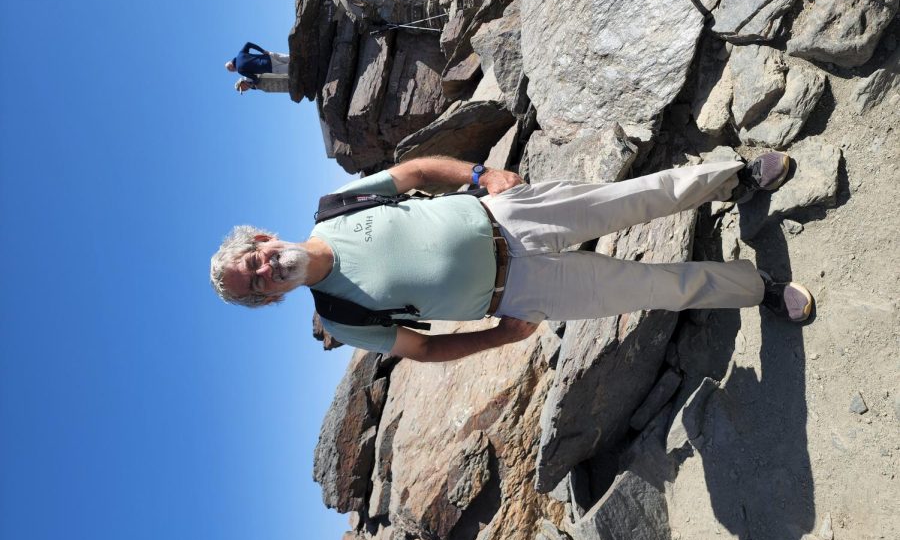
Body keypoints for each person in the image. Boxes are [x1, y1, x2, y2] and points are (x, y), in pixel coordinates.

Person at [209, 154, 814, 362]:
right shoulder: (340, 316)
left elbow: (417, 172)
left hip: (508, 215)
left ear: (263, 239)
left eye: (256, 261)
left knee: (636, 197)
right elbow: (422, 349)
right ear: (272, 299)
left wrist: (483, 174)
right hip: (519, 295)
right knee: (653, 289)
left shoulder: (335, 206)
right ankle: (754, 287)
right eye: (258, 286)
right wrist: (499, 339)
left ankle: (736, 177)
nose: (267, 271)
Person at [225, 42, 289, 91]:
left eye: (232, 70)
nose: (234, 71)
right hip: (268, 56)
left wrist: (253, 84)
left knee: (291, 69)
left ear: (231, 67)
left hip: (270, 67)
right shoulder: (240, 54)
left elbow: (255, 78)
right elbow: (248, 44)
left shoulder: (240, 70)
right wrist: (262, 51)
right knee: (291, 57)